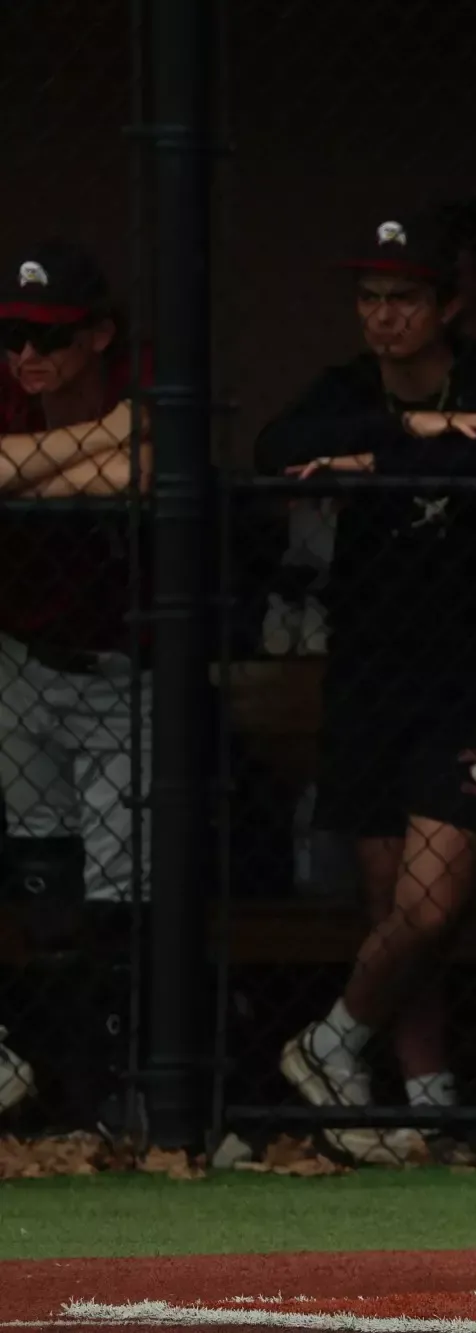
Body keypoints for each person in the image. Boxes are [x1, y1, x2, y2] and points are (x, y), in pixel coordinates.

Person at [254, 212, 476, 1165]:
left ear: (448, 306)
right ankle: (428, 1104)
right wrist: (408, 431)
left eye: (406, 298)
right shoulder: (347, 387)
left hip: (470, 669)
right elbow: (276, 447)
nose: (384, 316)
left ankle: (330, 1039)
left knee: (431, 904)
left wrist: (367, 459)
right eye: (370, 298)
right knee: (394, 916)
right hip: (369, 671)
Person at [0, 240, 152, 907]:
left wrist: (23, 475)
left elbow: (143, 471)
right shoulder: (10, 390)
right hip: (20, 656)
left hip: (124, 666)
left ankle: (118, 981)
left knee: (121, 886)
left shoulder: (138, 374)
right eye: (12, 337)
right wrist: (104, 435)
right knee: (40, 863)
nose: (27, 354)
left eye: (50, 336)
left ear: (98, 334)